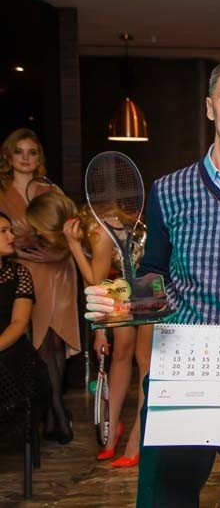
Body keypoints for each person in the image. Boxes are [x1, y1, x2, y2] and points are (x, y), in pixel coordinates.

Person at [84, 56, 220, 507]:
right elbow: (157, 277)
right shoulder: (168, 190)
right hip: (181, 373)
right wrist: (119, 301)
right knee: (167, 498)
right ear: (210, 108)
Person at [26, 191, 148, 467]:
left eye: (38, 230)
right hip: (119, 285)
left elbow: (94, 278)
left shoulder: (96, 229)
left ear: (50, 225)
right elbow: (93, 283)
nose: (38, 236)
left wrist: (73, 246)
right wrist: (99, 330)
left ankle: (137, 440)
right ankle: (110, 431)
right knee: (120, 354)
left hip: (148, 282)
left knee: (144, 360)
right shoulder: (81, 231)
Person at [0, 128, 79, 444]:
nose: (25, 158)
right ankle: (54, 411)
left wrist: (55, 251)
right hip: (25, 273)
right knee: (38, 342)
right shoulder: (2, 192)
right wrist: (22, 252)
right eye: (19, 151)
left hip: (58, 271)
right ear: (8, 156)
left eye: (32, 152)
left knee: (55, 342)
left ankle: (54, 411)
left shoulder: (49, 189)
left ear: (39, 157)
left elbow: (69, 233)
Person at [0, 210, 49, 440]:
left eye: (11, 230)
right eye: (4, 231)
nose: (11, 236)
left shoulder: (19, 273)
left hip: (11, 348)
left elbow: (19, 323)